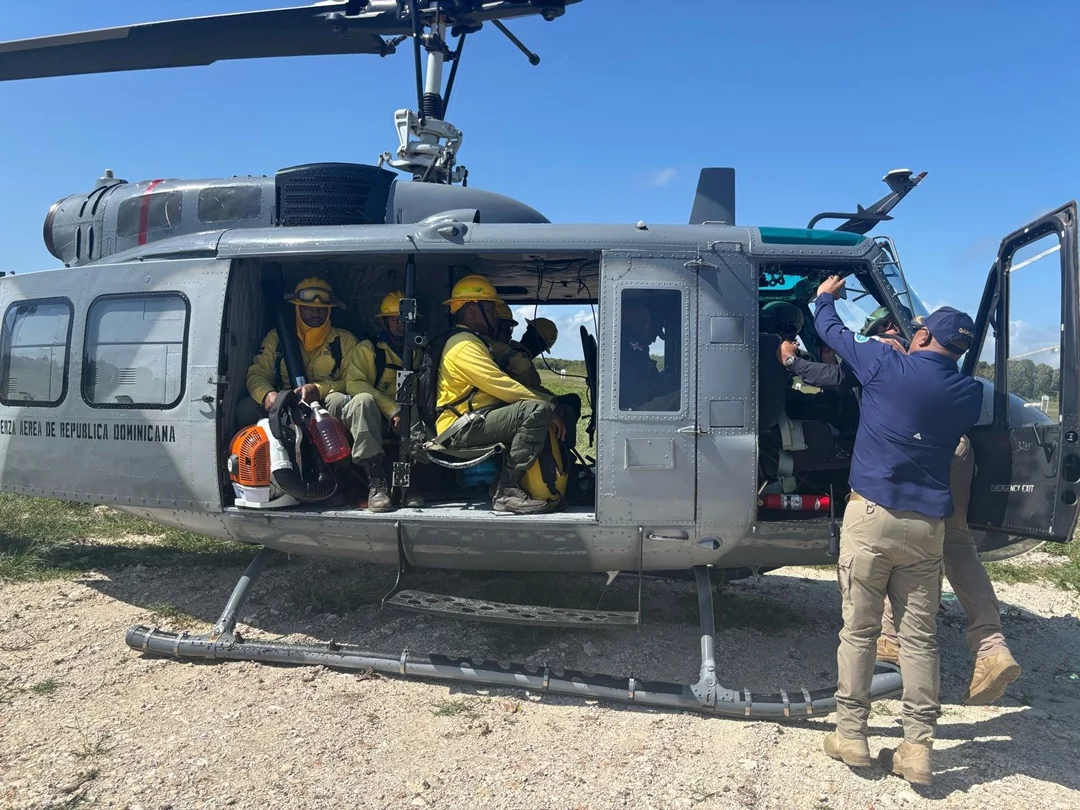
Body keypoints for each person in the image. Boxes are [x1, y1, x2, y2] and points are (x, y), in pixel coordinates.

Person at [814, 275, 983, 787]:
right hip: (926, 527)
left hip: (870, 518)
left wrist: (824, 296)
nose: (912, 334)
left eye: (918, 331)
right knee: (919, 639)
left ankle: (852, 735)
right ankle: (917, 750)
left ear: (927, 337)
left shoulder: (884, 363)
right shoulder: (968, 392)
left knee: (860, 631)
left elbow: (831, 330)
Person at [435, 274, 566, 514]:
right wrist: (550, 405)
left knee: (536, 407)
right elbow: (500, 384)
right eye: (491, 308)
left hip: (473, 419)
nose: (497, 314)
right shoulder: (463, 345)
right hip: (460, 427)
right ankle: (507, 490)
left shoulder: (470, 341)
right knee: (537, 409)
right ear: (473, 311)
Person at [340, 291, 423, 512]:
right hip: (372, 415)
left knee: (418, 409)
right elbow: (355, 384)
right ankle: (377, 485)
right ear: (384, 321)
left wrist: (403, 413)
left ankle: (408, 485)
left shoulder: (420, 352)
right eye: (394, 318)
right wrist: (392, 409)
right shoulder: (369, 349)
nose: (400, 323)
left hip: (406, 416)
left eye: (404, 318)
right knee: (363, 401)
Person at [238, 277, 358, 428]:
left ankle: (339, 451)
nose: (316, 313)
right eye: (308, 308)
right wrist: (267, 395)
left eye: (322, 308)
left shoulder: (345, 340)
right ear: (297, 308)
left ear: (329, 310)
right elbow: (258, 373)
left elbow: (352, 382)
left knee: (338, 401)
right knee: (245, 409)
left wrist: (318, 389)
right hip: (284, 404)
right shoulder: (277, 337)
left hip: (325, 406)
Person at [620, 295, 678, 411]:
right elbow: (638, 386)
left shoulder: (632, 345)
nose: (654, 340)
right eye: (654, 332)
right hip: (636, 405)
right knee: (686, 398)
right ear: (646, 321)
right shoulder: (628, 347)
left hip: (639, 402)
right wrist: (663, 389)